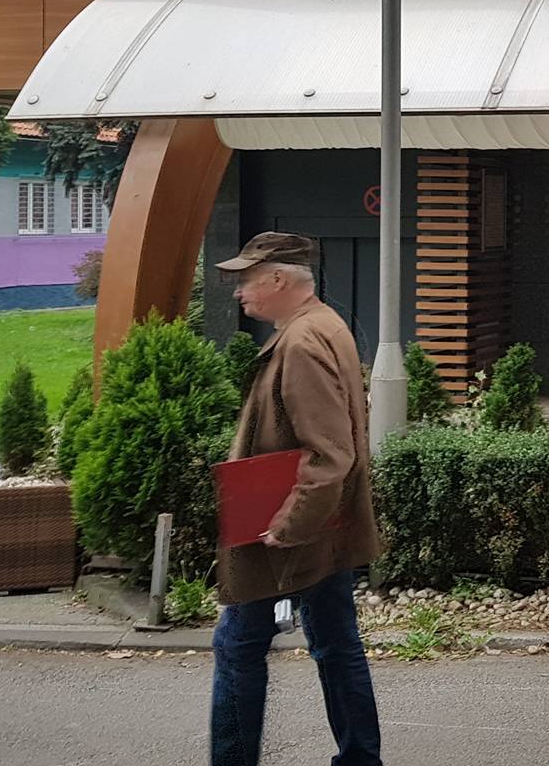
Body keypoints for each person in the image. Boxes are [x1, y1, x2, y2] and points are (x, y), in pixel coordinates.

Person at [210, 232, 383, 766]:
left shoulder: (302, 343)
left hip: (286, 534)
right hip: (323, 528)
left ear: (278, 278)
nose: (239, 292)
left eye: (246, 280)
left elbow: (329, 454)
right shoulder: (322, 325)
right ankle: (360, 759)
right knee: (336, 644)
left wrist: (288, 526)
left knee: (237, 647)